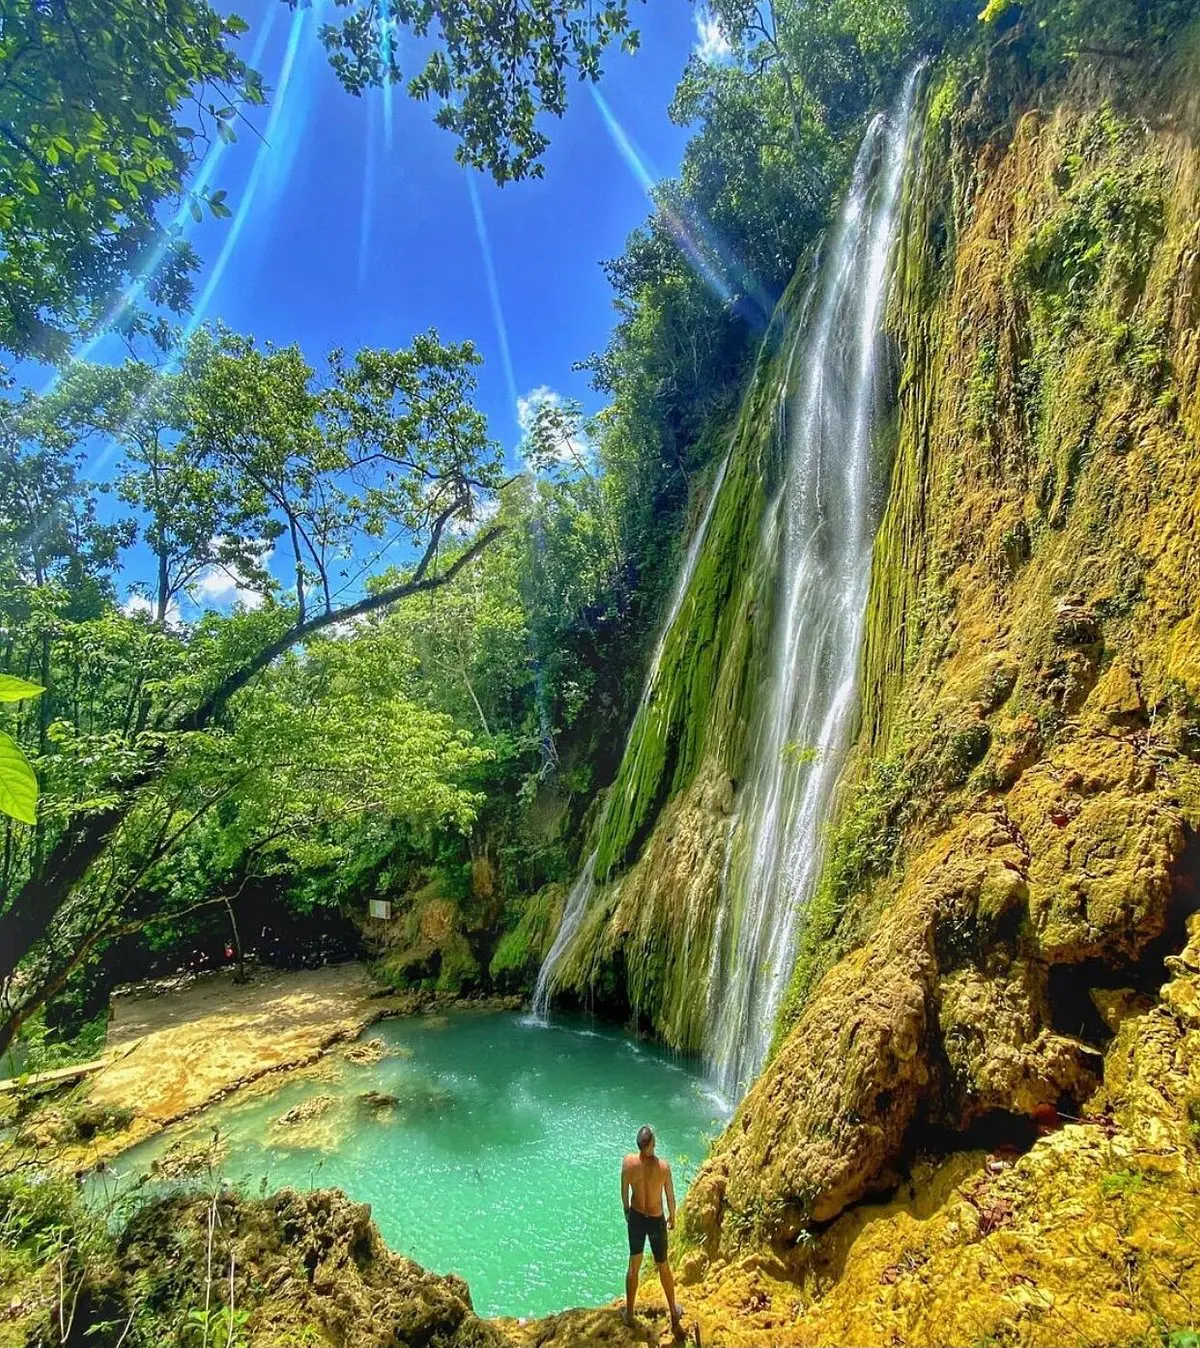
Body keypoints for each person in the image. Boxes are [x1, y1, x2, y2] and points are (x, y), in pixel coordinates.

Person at [621, 1124, 683, 1337]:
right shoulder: (663, 1167)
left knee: (633, 1265)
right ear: (652, 1144)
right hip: (656, 1220)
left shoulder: (629, 1164)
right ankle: (674, 1312)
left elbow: (624, 1191)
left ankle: (629, 1315)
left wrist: (627, 1211)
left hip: (637, 1218)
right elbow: (670, 1197)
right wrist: (673, 1216)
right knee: (663, 1266)